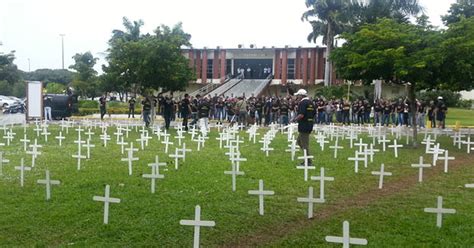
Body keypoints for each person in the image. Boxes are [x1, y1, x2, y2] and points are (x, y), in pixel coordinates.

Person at [293, 89, 315, 166]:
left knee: (304, 144)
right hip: (309, 124)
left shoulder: (302, 103)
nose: (297, 97)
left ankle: (308, 161)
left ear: (301, 95)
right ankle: (307, 158)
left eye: (298, 95)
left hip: (304, 125)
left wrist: (294, 119)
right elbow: (314, 113)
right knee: (299, 141)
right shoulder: (311, 103)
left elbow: (301, 115)